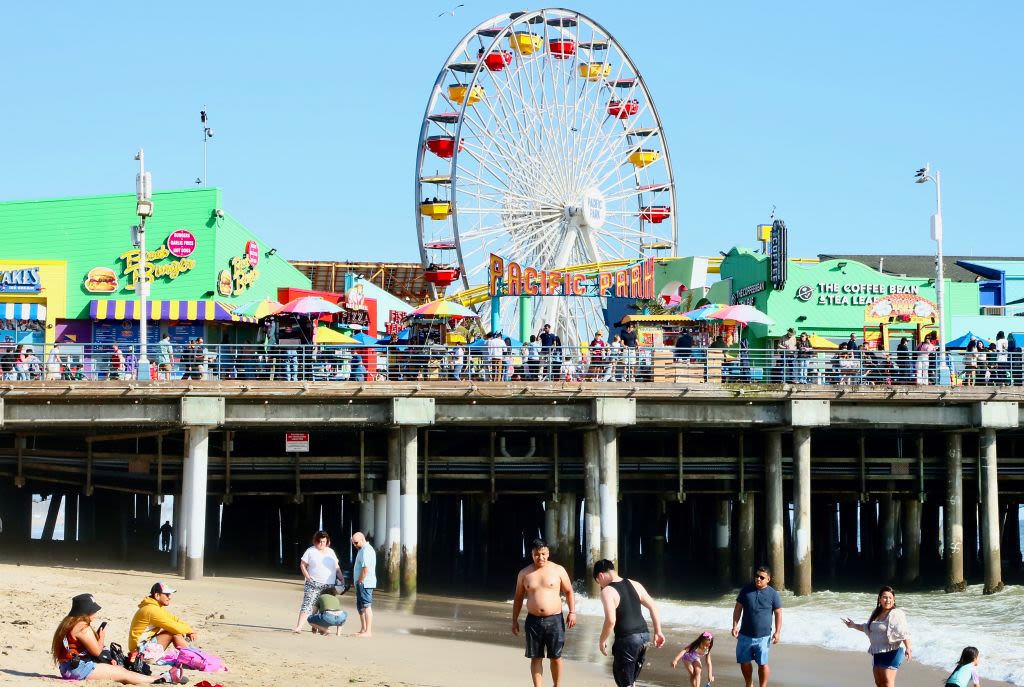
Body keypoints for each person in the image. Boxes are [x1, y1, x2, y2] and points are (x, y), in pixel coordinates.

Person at [51, 593, 179, 684]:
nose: (95, 614)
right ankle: (162, 678)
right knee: (123, 674)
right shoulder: (82, 627)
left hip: (68, 667)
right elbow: (96, 651)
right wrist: (101, 637)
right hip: (78, 669)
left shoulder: (68, 623)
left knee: (118, 670)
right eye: (93, 611)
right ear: (86, 611)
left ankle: (160, 677)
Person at [512, 538, 577, 687]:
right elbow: (518, 597)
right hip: (533, 620)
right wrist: (514, 620)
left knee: (556, 656)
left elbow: (568, 591)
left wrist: (572, 612)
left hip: (554, 619)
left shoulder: (558, 570)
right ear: (531, 554)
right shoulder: (524, 573)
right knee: (536, 657)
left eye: (543, 554)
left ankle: (557, 685)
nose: (540, 557)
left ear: (548, 553)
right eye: (537, 554)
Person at [593, 558, 665, 687]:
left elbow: (611, 620)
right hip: (644, 636)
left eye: (599, 583)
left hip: (627, 640)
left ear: (601, 575)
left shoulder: (607, 591)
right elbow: (653, 606)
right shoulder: (635, 584)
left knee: (624, 681)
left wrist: (602, 640)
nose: (601, 586)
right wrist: (658, 631)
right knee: (630, 681)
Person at [841, 585, 912, 687]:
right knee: (879, 683)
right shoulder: (876, 613)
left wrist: (908, 648)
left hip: (891, 652)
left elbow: (903, 632)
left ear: (894, 599)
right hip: (877, 652)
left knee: (887, 683)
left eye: (890, 597)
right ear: (879, 599)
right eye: (884, 597)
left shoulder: (896, 613)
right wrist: (853, 625)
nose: (887, 600)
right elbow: (868, 628)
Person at [731, 566, 782, 687]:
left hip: (763, 637)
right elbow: (738, 608)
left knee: (762, 664)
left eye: (762, 577)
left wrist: (777, 632)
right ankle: (749, 684)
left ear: (768, 579)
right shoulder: (746, 590)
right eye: (756, 576)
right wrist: (734, 626)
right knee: (744, 662)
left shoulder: (773, 594)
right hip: (744, 635)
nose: (758, 578)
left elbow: (778, 612)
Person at [293, 530, 343, 633]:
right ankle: (299, 627)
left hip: (329, 585)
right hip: (313, 583)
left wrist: (341, 578)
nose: (321, 544)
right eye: (319, 541)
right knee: (307, 605)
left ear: (327, 542)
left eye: (324, 541)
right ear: (315, 541)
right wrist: (307, 577)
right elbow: (303, 565)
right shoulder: (310, 551)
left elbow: (336, 567)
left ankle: (321, 627)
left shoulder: (331, 552)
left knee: (326, 607)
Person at [128, 582, 196, 654]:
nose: (170, 597)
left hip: (142, 646)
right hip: (139, 650)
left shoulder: (155, 607)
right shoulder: (151, 610)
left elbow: (175, 619)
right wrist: (191, 631)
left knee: (176, 631)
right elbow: (174, 627)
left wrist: (189, 629)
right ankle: (193, 657)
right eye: (167, 594)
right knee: (174, 632)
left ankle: (192, 656)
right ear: (157, 595)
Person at [351, 531, 377, 637]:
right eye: (353, 543)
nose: (354, 545)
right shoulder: (362, 549)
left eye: (356, 543)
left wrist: (360, 580)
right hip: (361, 582)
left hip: (365, 583)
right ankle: (363, 629)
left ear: (362, 540)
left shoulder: (367, 550)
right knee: (360, 606)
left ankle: (368, 631)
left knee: (366, 606)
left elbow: (365, 568)